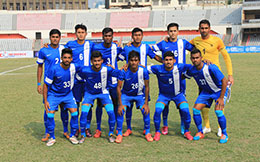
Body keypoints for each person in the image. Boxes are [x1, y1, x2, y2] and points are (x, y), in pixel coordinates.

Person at [190, 19, 234, 136]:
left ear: (209, 29)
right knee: (203, 102)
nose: (204, 30)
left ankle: (221, 127)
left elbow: (226, 57)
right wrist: (168, 39)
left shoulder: (217, 40)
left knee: (219, 102)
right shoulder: (196, 40)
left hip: (215, 75)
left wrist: (230, 74)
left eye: (206, 28)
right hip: (202, 76)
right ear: (199, 29)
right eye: (202, 28)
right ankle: (207, 126)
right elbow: (184, 45)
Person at [153, 23, 194, 135]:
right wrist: (161, 61)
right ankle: (165, 125)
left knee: (181, 102)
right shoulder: (163, 43)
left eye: (175, 31)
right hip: (166, 75)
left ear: (178, 32)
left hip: (180, 77)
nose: (173, 33)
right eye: (170, 31)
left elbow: (195, 51)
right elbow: (151, 50)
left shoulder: (183, 42)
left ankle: (182, 124)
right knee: (165, 103)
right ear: (168, 32)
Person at [121, 27, 162, 137]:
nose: (137, 37)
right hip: (130, 78)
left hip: (142, 79)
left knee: (144, 107)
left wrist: (165, 62)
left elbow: (154, 57)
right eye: (135, 35)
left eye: (139, 35)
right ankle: (128, 128)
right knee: (128, 108)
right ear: (132, 36)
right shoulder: (127, 48)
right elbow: (119, 57)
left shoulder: (146, 47)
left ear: (142, 36)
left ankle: (146, 130)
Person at [86, 27, 123, 138]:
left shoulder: (116, 47)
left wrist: (123, 65)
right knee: (99, 105)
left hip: (113, 81)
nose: (107, 38)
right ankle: (98, 128)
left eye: (109, 36)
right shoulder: (96, 47)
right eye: (106, 36)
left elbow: (125, 53)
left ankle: (116, 127)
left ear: (112, 37)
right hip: (101, 81)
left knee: (116, 104)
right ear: (102, 37)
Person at [147, 51, 193, 141]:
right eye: (166, 60)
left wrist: (187, 75)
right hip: (163, 96)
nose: (168, 62)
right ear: (163, 61)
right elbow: (143, 69)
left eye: (170, 60)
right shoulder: (158, 68)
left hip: (178, 95)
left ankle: (186, 131)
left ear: (174, 60)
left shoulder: (180, 67)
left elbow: (194, 67)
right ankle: (157, 132)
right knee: (158, 110)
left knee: (185, 110)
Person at [185, 48, 229, 143]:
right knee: (195, 109)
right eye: (193, 58)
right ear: (191, 59)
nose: (195, 60)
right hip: (206, 92)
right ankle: (200, 132)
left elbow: (224, 81)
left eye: (197, 57)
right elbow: (184, 75)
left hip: (219, 91)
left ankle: (224, 134)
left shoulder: (211, 67)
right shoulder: (192, 69)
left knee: (218, 111)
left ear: (201, 58)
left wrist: (221, 98)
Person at [77, 51, 120, 143]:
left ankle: (111, 134)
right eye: (95, 61)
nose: (97, 63)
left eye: (99, 60)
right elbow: (78, 76)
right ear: (91, 61)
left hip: (103, 93)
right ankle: (83, 135)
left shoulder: (107, 69)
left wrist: (123, 69)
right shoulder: (85, 70)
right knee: (84, 113)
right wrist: (85, 83)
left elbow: (119, 74)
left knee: (111, 112)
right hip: (89, 94)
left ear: (102, 61)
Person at [36, 29, 70, 142]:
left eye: (57, 37)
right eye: (53, 37)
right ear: (50, 38)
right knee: (48, 109)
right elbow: (40, 66)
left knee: (64, 108)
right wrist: (39, 83)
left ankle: (65, 131)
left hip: (62, 84)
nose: (55, 39)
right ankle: (48, 132)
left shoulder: (63, 49)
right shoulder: (43, 50)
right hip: (49, 85)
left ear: (60, 38)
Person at [43, 48, 80, 146]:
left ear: (72, 59)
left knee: (75, 114)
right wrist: (46, 100)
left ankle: (72, 135)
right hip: (54, 95)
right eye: (65, 58)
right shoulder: (54, 69)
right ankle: (51, 137)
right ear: (61, 58)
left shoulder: (74, 67)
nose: (67, 60)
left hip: (68, 94)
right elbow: (46, 85)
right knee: (50, 115)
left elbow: (88, 68)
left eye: (69, 58)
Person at [116, 50, 153, 143]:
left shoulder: (143, 71)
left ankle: (147, 132)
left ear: (139, 61)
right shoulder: (123, 71)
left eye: (136, 60)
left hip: (139, 95)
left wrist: (146, 103)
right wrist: (120, 104)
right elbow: (118, 87)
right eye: (131, 60)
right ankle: (121, 133)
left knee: (145, 111)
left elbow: (147, 86)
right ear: (128, 61)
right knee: (121, 111)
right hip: (126, 95)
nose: (133, 62)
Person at [65, 24, 95, 137]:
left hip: (88, 80)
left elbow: (103, 50)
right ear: (75, 34)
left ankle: (86, 127)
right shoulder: (70, 45)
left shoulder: (90, 44)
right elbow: (60, 51)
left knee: (88, 105)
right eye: (78, 32)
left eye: (83, 32)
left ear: (86, 34)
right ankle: (76, 127)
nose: (81, 34)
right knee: (76, 104)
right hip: (75, 80)